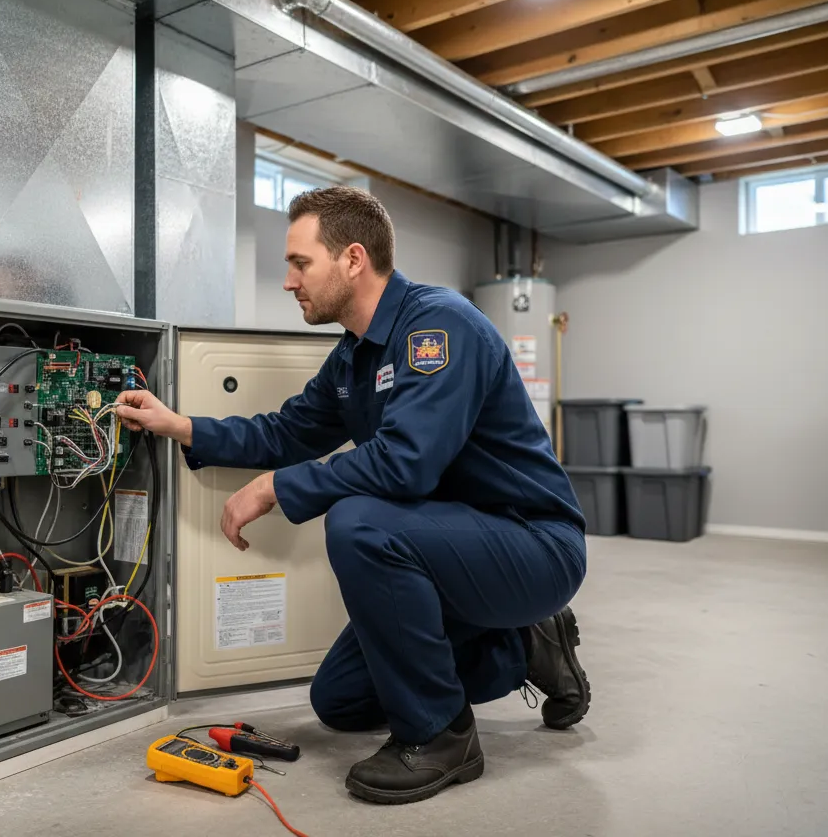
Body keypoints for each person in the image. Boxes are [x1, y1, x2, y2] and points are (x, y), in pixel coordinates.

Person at [117, 186, 589, 805]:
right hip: (454, 548)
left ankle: (444, 737)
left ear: (353, 259)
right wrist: (180, 425)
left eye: (299, 263)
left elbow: (406, 465)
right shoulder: (353, 358)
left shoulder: (438, 326)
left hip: (532, 543)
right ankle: (525, 643)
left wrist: (277, 489)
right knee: (339, 701)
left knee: (360, 522)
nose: (289, 281)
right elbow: (287, 431)